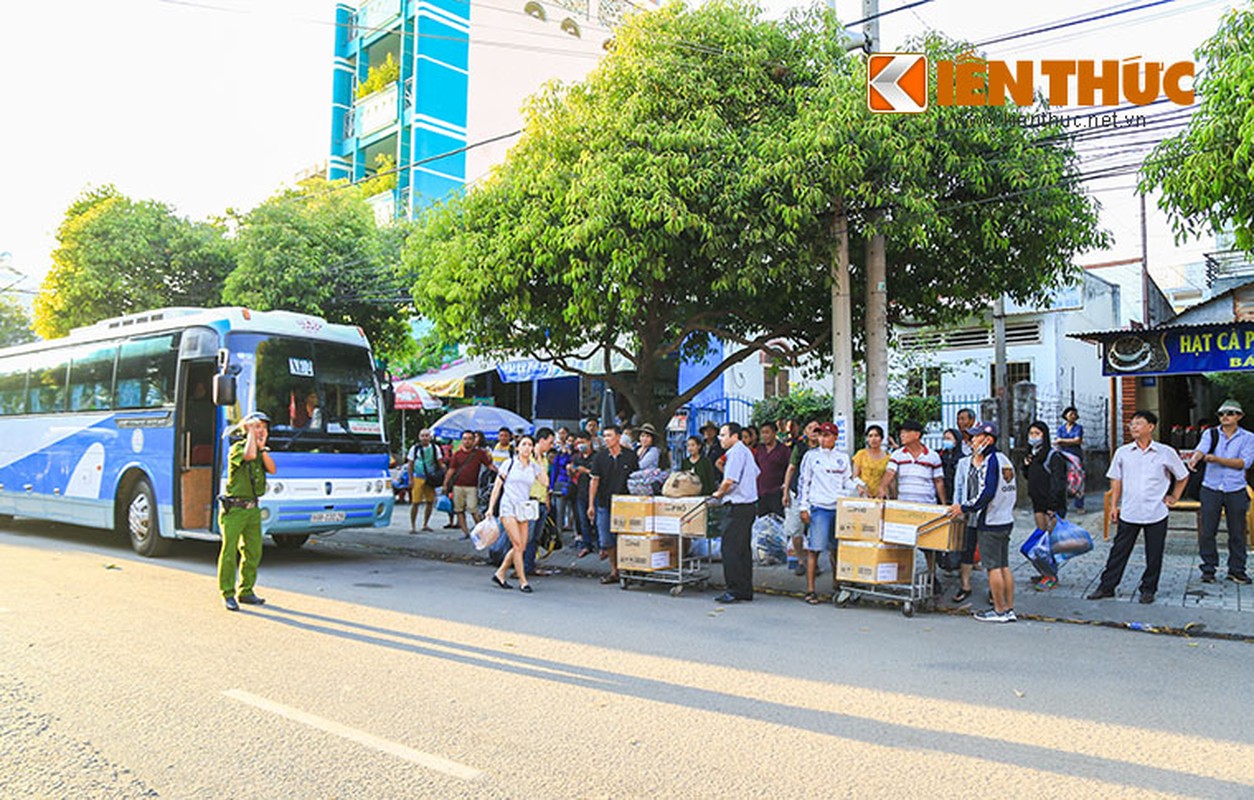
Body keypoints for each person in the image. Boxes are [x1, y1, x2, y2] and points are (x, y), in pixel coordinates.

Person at [1088, 410, 1189, 605]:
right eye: (1131, 424)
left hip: (1156, 511)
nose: (1133, 427)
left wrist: (1175, 496)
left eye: (1138, 423)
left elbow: (1182, 476)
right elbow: (1116, 480)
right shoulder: (1123, 452)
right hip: (1129, 511)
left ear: (1150, 427)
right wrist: (1114, 506)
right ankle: (1106, 586)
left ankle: (1148, 589)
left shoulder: (1165, 452)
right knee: (1119, 551)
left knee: (1154, 553)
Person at [949, 421, 1018, 622]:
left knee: (994, 568)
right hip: (1005, 519)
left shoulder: (990, 461)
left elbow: (985, 493)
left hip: (991, 521)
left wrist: (963, 507)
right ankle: (1009, 608)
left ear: (988, 439)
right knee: (1004, 566)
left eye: (976, 437)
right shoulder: (1004, 459)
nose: (971, 441)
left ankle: (998, 610)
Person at [1187, 399, 1254, 585]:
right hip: (1211, 487)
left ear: (1239, 416)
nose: (1225, 416)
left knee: (1237, 532)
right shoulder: (1211, 433)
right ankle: (1208, 569)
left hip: (1235, 489)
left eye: (1230, 413)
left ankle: (1237, 570)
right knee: (1208, 531)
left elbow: (1244, 463)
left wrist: (1217, 459)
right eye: (1222, 414)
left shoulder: (1248, 437)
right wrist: (1195, 458)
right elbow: (1201, 449)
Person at [217, 412, 276, 612]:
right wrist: (251, 436)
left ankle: (246, 590)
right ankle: (227, 593)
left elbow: (272, 468)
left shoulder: (260, 452)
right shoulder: (237, 449)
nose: (262, 431)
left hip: (252, 510)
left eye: (264, 428)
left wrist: (264, 448)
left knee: (253, 552)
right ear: (247, 429)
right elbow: (248, 456)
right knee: (229, 552)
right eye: (257, 426)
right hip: (235, 509)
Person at [796, 421, 853, 604]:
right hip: (819, 507)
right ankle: (811, 590)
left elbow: (847, 481)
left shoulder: (842, 458)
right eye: (821, 435)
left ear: (835, 438)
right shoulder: (811, 457)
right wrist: (803, 507)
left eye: (827, 435)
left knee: (836, 550)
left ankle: (837, 585)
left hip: (838, 507)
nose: (823, 438)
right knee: (814, 549)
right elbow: (804, 482)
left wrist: (860, 486)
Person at [488, 435, 546, 594]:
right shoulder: (509, 464)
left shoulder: (533, 467)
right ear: (518, 447)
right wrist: (490, 508)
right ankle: (523, 581)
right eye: (524, 444)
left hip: (523, 509)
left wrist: (539, 459)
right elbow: (497, 487)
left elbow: (545, 482)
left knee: (522, 545)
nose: (527, 447)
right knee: (518, 545)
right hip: (508, 507)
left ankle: (500, 573)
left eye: (530, 444)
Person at [712, 422, 760, 603]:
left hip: (738, 505)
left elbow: (729, 481)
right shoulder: (745, 451)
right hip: (748, 505)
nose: (720, 439)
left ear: (735, 436)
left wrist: (718, 493)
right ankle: (745, 589)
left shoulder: (736, 453)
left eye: (723, 435)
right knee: (742, 550)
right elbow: (756, 473)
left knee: (730, 549)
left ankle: (734, 589)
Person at [587, 425, 639, 584]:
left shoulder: (630, 456)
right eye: (605, 436)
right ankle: (614, 569)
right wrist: (591, 505)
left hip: (626, 504)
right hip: (604, 502)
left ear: (618, 437)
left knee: (624, 539)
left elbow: (637, 479)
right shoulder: (600, 457)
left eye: (609, 435)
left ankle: (627, 569)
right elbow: (594, 481)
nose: (606, 439)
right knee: (606, 540)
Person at [1021, 420, 1068, 590]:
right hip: (1037, 503)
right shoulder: (1033, 455)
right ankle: (1044, 572)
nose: (1033, 437)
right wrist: (1026, 466)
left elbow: (1058, 483)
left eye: (1037, 434)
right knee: (1040, 542)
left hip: (1051, 506)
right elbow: (1029, 477)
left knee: (1048, 543)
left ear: (1045, 435)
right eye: (1031, 434)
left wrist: (1053, 507)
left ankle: (1051, 576)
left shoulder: (1053, 456)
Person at [782, 419, 821, 577]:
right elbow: (791, 468)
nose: (813, 431)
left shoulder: (824, 450)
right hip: (797, 493)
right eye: (810, 428)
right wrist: (785, 491)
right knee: (795, 529)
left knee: (816, 531)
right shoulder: (799, 448)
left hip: (817, 496)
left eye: (816, 428)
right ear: (805, 431)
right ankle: (801, 561)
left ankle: (814, 563)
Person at [443, 430, 494, 538]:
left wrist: (501, 474)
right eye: (465, 439)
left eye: (470, 439)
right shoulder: (457, 454)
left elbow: (489, 465)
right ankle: (466, 533)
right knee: (459, 510)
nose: (467, 441)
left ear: (473, 440)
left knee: (474, 510)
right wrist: (445, 484)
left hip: (472, 487)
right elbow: (451, 470)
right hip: (458, 486)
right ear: (462, 440)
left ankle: (482, 533)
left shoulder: (480, 453)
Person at [882, 420, 946, 504]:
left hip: (927, 504)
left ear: (917, 435)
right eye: (901, 433)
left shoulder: (933, 456)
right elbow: (890, 472)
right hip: (904, 504)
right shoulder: (897, 455)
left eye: (905, 432)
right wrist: (882, 488)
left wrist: (944, 504)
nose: (902, 435)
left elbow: (938, 481)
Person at [521, 427, 556, 578]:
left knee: (535, 537)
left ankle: (529, 566)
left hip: (541, 501)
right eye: (550, 442)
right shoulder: (529, 458)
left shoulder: (543, 459)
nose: (552, 445)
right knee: (526, 537)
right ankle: (520, 566)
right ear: (541, 441)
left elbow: (545, 483)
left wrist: (547, 499)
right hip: (530, 501)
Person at [406, 428, 445, 533]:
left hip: (430, 478)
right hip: (418, 476)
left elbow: (440, 462)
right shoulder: (414, 449)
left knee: (430, 501)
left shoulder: (435, 448)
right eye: (422, 435)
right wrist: (410, 479)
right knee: (415, 502)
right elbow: (410, 465)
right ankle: (413, 526)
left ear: (430, 437)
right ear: (419, 437)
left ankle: (425, 524)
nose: (424, 438)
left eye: (426, 435)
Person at [753, 421, 790, 518]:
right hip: (760, 493)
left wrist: (785, 487)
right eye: (763, 433)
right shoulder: (759, 449)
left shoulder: (784, 450)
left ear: (774, 433)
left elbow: (789, 469)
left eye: (767, 432)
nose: (764, 436)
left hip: (777, 492)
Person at [569, 432, 597, 557]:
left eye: (583, 442)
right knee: (583, 520)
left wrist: (585, 471)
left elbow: (598, 475)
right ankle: (587, 545)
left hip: (596, 493)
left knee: (598, 520)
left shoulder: (597, 457)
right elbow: (573, 477)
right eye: (578, 442)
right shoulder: (576, 457)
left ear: (589, 441)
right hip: (580, 491)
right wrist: (571, 471)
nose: (580, 445)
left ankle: (602, 546)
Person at [1055, 406, 1085, 511]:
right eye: (1071, 414)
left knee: (1078, 479)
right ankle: (1063, 504)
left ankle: (1079, 505)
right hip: (1062, 456)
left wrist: (1062, 441)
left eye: (1074, 414)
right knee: (1063, 480)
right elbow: (1057, 441)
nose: (1073, 416)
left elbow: (1077, 441)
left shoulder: (1078, 428)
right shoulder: (1061, 428)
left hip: (1075, 456)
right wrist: (1066, 441)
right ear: (1065, 415)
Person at [852, 424, 891, 499]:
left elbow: (890, 480)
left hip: (881, 497)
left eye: (876, 435)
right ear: (867, 439)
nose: (873, 439)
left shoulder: (888, 457)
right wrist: (861, 487)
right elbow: (855, 476)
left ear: (881, 438)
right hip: (863, 495)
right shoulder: (861, 454)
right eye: (870, 436)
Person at [938, 428, 963, 509]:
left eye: (948, 439)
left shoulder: (962, 458)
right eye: (944, 439)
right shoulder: (940, 456)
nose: (945, 441)